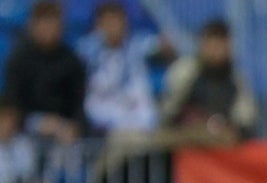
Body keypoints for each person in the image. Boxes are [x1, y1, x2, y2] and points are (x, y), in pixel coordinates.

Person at [76, 2, 176, 137]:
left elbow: (164, 47)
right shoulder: (87, 49)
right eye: (107, 22)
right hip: (102, 110)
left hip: (134, 110)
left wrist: (166, 44)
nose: (112, 27)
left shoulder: (137, 46)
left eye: (116, 21)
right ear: (98, 25)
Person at [0, 1, 86, 154]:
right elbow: (13, 102)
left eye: (54, 23)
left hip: (63, 127)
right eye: (44, 22)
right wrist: (42, 122)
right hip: (26, 127)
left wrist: (74, 125)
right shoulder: (18, 59)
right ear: (33, 25)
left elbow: (78, 102)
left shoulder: (72, 60)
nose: (49, 29)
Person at [158, 18, 257, 146]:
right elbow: (167, 114)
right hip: (184, 144)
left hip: (220, 148)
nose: (216, 51)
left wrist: (231, 131)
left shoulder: (235, 78)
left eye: (221, 44)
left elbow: (246, 119)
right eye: (212, 44)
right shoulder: (185, 72)